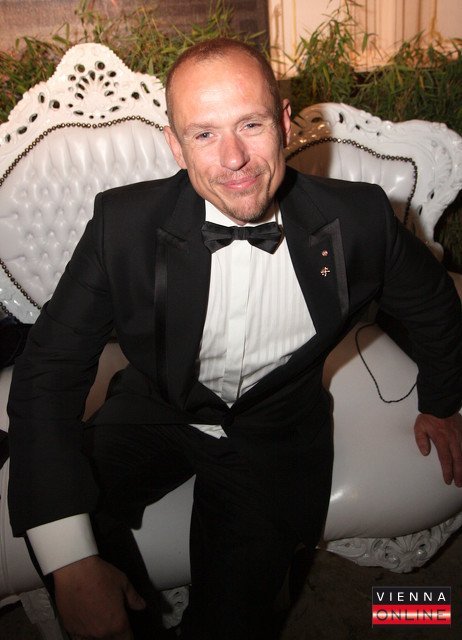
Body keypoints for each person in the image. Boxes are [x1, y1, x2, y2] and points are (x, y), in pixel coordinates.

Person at [7, 37, 462, 640]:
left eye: (251, 124)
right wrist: (71, 564)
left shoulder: (359, 219)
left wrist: (441, 401)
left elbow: (434, 304)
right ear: (174, 146)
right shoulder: (123, 225)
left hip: (275, 435)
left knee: (234, 622)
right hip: (154, 410)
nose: (234, 159)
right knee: (74, 542)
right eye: (204, 134)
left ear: (284, 123)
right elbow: (48, 373)